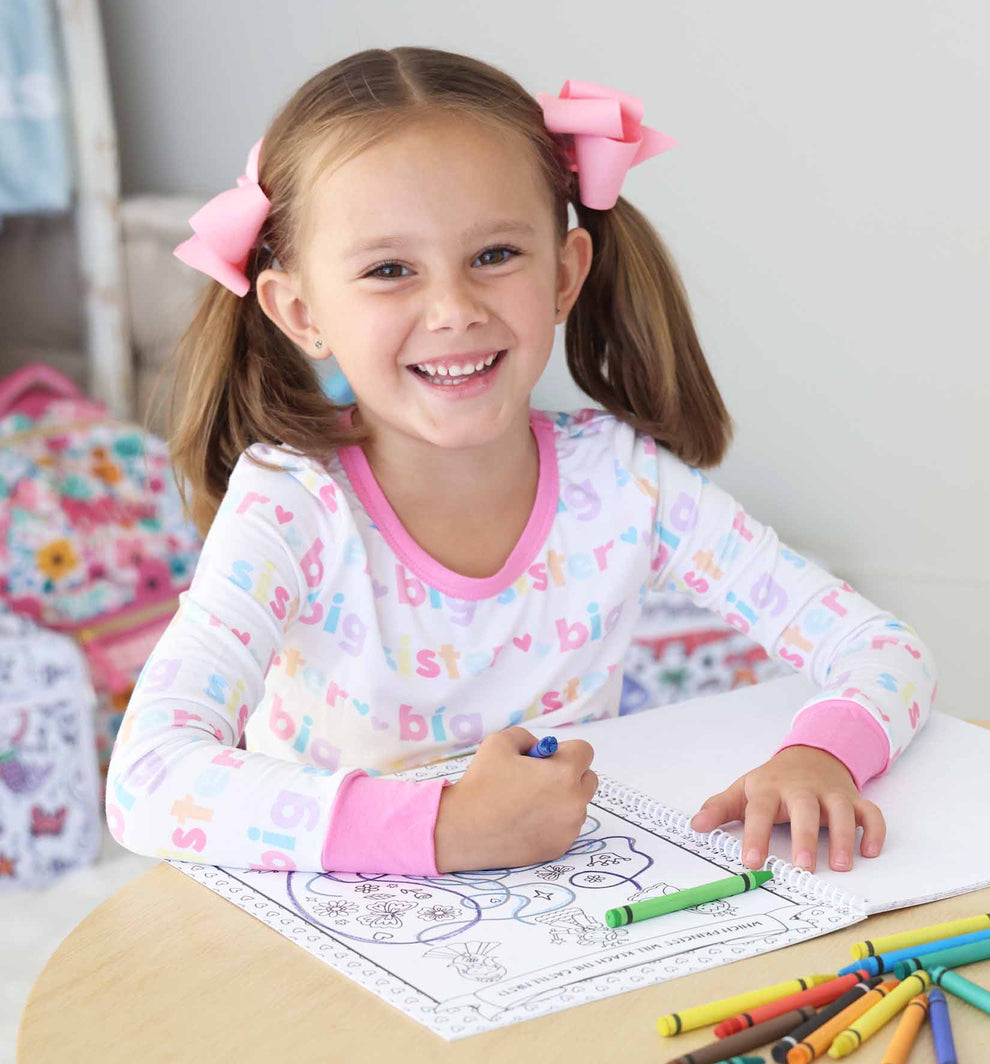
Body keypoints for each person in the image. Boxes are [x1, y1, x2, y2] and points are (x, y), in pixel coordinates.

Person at [105, 47, 937, 881]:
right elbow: (146, 781)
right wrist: (444, 827)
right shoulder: (291, 508)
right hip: (334, 932)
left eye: (495, 255)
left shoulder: (624, 484)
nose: (454, 309)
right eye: (390, 270)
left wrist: (821, 757)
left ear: (565, 275)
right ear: (301, 311)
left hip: (568, 918)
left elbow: (883, 648)